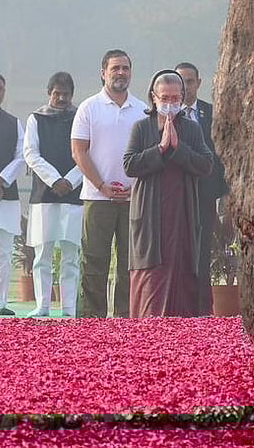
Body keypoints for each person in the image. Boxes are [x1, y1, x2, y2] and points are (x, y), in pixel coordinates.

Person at [124, 70, 212, 317]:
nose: (170, 104)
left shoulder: (192, 130)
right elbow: (130, 165)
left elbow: (206, 165)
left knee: (183, 268)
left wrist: (178, 148)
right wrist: (161, 148)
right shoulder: (141, 128)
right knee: (150, 274)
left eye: (175, 98)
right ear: (154, 97)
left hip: (182, 212)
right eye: (165, 98)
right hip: (150, 215)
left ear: (183, 98)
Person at [71, 49, 147, 318]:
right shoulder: (88, 108)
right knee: (94, 261)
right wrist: (101, 185)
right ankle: (91, 320)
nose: (121, 73)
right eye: (115, 68)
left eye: (125, 68)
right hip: (96, 197)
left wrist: (136, 187)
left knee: (130, 263)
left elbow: (148, 156)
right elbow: (79, 151)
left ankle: (125, 319)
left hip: (133, 199)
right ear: (103, 72)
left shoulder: (142, 110)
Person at [23, 72, 83, 317]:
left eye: (66, 94)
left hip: (73, 194)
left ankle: (69, 308)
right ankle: (43, 306)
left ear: (72, 95)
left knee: (70, 254)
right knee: (42, 254)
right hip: (44, 195)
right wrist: (54, 179)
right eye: (57, 93)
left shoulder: (80, 117)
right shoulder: (36, 118)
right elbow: (31, 153)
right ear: (49, 93)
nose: (61, 98)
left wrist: (69, 180)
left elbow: (87, 152)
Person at [176, 62, 229, 315]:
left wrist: (225, 195)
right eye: (180, 81)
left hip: (205, 195)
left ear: (198, 83)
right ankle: (178, 309)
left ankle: (203, 309)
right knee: (176, 254)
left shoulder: (213, 114)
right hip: (174, 196)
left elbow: (224, 157)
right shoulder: (164, 114)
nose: (185, 87)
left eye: (189, 81)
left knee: (202, 254)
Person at [0, 73, 25, 316]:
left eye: (0, 88)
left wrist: (1, 180)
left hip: (5, 195)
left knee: (3, 251)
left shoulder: (14, 122)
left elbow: (22, 156)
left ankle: (0, 303)